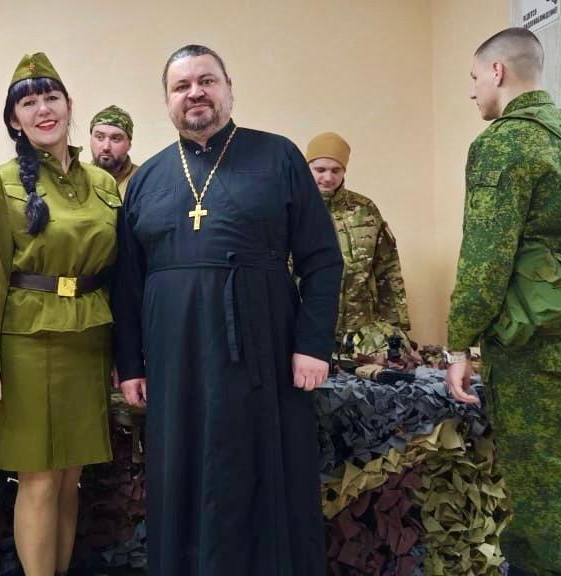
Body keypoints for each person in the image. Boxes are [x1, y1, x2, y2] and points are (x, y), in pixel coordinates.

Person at [112, 44, 343, 575]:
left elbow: (321, 259)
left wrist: (312, 344)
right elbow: (127, 282)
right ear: (167, 99)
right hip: (175, 359)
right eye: (181, 86)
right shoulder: (146, 179)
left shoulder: (278, 156)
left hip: (262, 350)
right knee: (182, 471)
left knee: (257, 470)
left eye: (206, 81)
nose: (195, 93)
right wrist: (130, 363)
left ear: (228, 88)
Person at [445, 27, 561, 576]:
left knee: (556, 486)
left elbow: (485, 258)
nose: (472, 91)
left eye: (474, 78)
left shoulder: (504, 143)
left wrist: (459, 344)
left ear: (497, 72)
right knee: (536, 479)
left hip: (535, 343)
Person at [0, 53, 119, 576]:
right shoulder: (3, 183)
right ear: (14, 119)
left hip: (89, 339)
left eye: (51, 98)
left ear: (69, 105)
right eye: (28, 103)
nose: (43, 110)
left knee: (71, 476)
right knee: (38, 478)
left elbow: (119, 272)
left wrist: (126, 354)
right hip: (28, 344)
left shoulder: (102, 184)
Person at [305, 132, 411, 345]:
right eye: (320, 170)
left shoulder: (366, 209)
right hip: (307, 332)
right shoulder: (292, 209)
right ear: (307, 168)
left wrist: (397, 332)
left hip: (361, 335)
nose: (328, 177)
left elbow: (388, 270)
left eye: (336, 170)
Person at [89, 105, 138, 198]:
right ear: (90, 141)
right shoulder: (77, 180)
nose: (106, 147)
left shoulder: (143, 181)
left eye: (115, 138)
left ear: (129, 144)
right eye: (99, 137)